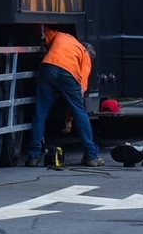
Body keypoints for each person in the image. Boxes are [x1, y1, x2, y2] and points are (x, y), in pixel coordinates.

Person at [26, 26, 104, 167]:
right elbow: (80, 92)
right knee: (81, 114)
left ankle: (33, 156)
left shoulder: (62, 36)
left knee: (40, 114)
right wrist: (70, 119)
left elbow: (43, 31)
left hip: (48, 66)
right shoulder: (84, 54)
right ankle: (91, 156)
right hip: (69, 73)